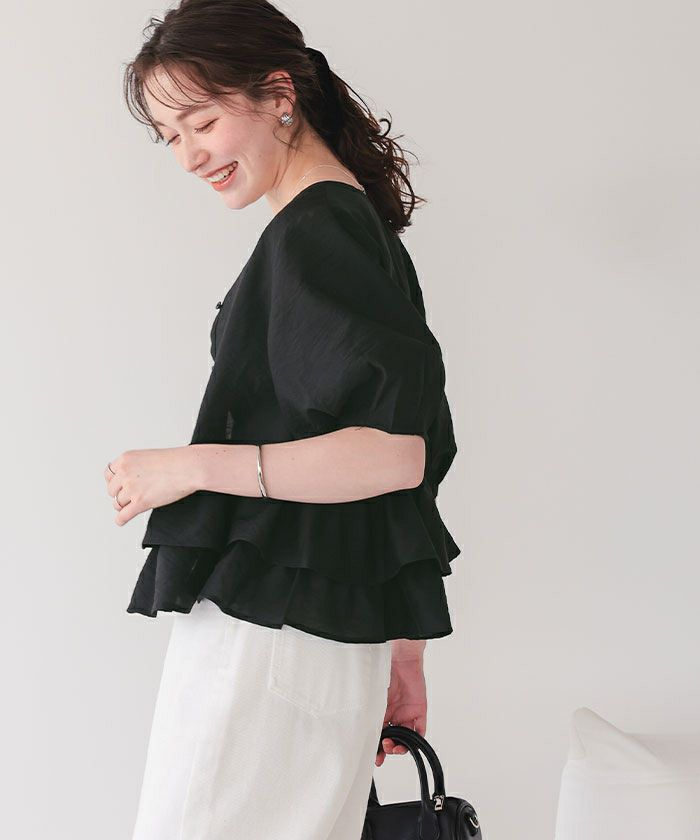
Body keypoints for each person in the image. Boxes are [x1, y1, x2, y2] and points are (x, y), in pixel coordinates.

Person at [107, 1, 460, 838]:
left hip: (271, 632)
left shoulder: (317, 233)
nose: (189, 155)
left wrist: (187, 466)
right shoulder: (349, 228)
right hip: (319, 632)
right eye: (170, 136)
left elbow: (394, 457)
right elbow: (404, 459)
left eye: (202, 122)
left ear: (278, 94)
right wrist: (402, 648)